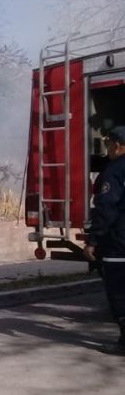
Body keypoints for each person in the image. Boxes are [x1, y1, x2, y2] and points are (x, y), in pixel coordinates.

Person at [84, 125, 125, 355]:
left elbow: (106, 209)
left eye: (108, 144)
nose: (107, 148)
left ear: (117, 146)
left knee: (118, 293)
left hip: (119, 243)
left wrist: (93, 240)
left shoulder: (113, 171)